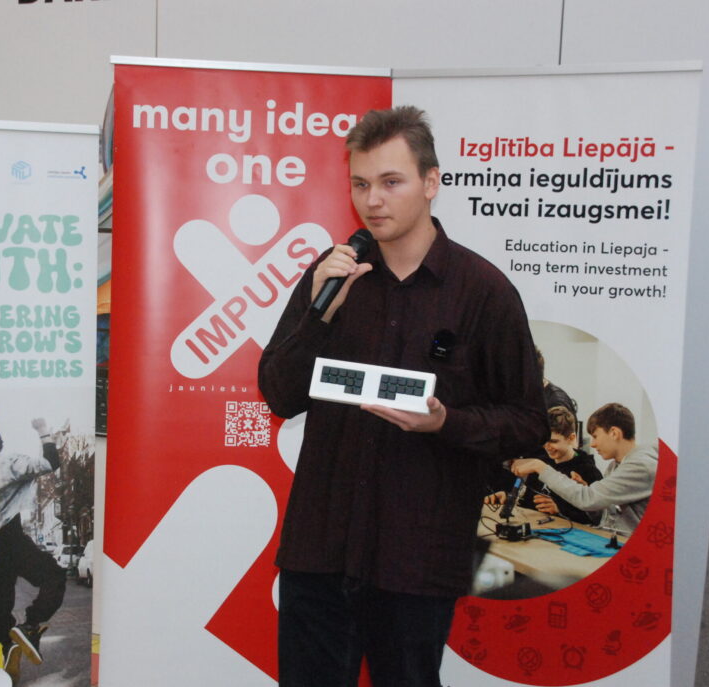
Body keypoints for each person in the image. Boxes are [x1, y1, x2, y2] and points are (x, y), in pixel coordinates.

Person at [258, 106, 547, 687]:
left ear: (431, 182)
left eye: (391, 182)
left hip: (416, 560)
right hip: (320, 551)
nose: (373, 201)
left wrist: (445, 423)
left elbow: (528, 423)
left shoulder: (483, 291)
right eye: (360, 184)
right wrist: (319, 316)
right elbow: (280, 393)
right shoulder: (332, 276)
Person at [0, 418, 68, 679]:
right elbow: (50, 463)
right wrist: (43, 431)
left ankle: (6, 647)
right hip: (11, 538)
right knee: (53, 576)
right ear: (0, 445)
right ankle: (30, 626)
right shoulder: (9, 461)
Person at [511, 402, 657, 536]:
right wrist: (586, 493)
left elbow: (588, 499)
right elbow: (607, 514)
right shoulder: (615, 466)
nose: (592, 444)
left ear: (614, 433)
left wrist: (540, 467)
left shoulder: (641, 466)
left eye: (595, 436)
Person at [485, 405, 602, 525]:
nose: (547, 447)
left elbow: (595, 519)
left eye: (553, 441)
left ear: (571, 438)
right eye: (544, 441)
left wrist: (560, 510)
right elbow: (529, 499)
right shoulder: (542, 462)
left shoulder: (588, 471)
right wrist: (509, 498)